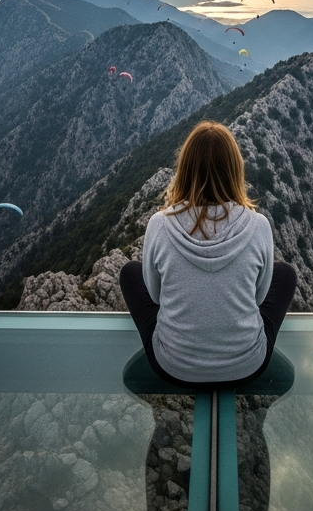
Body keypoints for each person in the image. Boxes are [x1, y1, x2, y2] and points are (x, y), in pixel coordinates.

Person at [120, 120, 297, 388]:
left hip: (172, 366)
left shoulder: (160, 223)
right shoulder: (259, 225)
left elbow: (155, 296)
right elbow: (259, 298)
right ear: (235, 170)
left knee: (129, 273)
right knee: (285, 274)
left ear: (185, 170)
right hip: (248, 365)